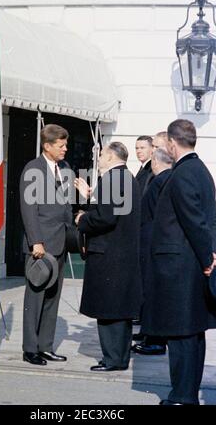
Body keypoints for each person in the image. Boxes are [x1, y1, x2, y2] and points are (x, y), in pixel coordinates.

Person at [141, 119, 216, 405]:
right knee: (191, 334)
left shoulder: (184, 173)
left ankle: (182, 396)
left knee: (181, 335)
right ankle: (185, 393)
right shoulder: (201, 171)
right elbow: (213, 220)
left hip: (182, 268)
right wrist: (213, 253)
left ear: (172, 144)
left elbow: (194, 222)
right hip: (192, 264)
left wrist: (207, 260)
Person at [75, 142, 143, 372]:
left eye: (102, 154)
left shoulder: (111, 179)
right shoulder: (129, 178)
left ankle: (113, 358)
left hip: (108, 254)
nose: (99, 158)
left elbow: (105, 218)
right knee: (119, 311)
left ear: (112, 157)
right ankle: (118, 357)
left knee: (108, 310)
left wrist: (82, 220)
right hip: (122, 253)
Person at [20, 124, 72, 366]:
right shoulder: (33, 169)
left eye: (65, 144)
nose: (65, 149)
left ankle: (46, 346)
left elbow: (66, 205)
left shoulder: (66, 168)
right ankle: (30, 349)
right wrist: (36, 242)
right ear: (47, 146)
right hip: (41, 246)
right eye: (61, 145)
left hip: (60, 243)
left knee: (53, 297)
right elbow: (29, 210)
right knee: (36, 298)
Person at [131, 148, 173, 355]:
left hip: (151, 243)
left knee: (152, 292)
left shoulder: (160, 180)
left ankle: (154, 340)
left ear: (156, 162)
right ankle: (150, 334)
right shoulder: (166, 179)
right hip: (153, 242)